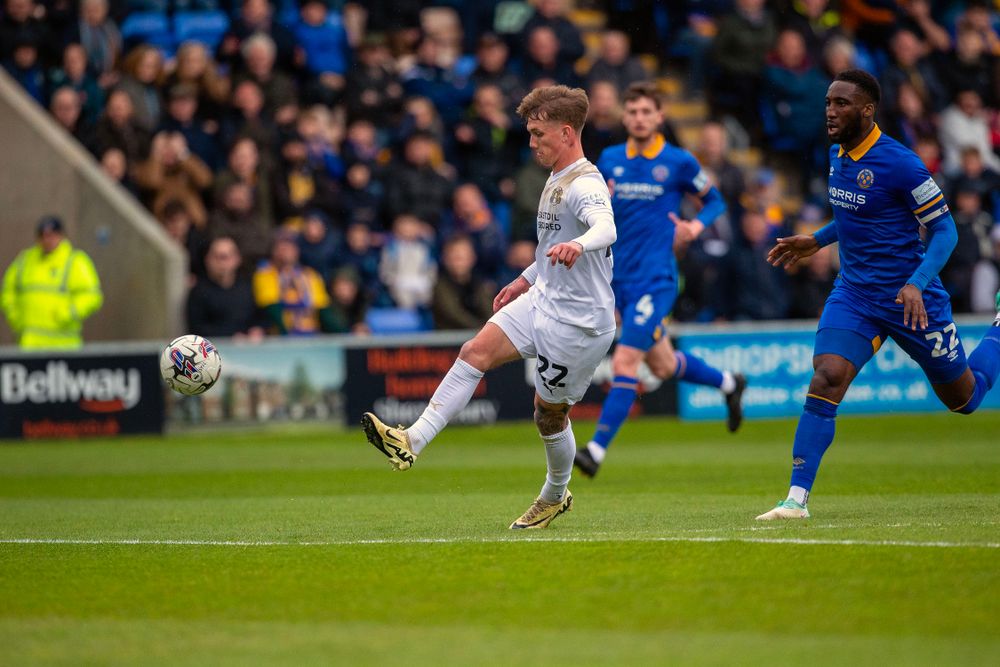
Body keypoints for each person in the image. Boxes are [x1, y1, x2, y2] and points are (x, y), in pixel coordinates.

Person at [361, 85, 618, 530]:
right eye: (530, 134)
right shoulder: (555, 177)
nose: (532, 142)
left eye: (539, 134)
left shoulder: (585, 184)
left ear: (566, 131)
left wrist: (579, 243)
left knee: (548, 413)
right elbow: (550, 249)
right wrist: (525, 278)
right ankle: (411, 441)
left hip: (579, 325)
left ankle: (555, 495)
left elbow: (606, 228)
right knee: (473, 352)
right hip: (543, 299)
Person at [757, 69, 1000, 520]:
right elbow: (857, 218)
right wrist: (817, 239)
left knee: (964, 400)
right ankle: (796, 499)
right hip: (854, 294)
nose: (830, 111)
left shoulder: (902, 163)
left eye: (841, 104)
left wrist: (916, 283)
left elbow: (944, 231)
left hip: (913, 300)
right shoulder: (837, 155)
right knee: (827, 375)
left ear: (867, 110)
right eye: (829, 102)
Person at [573, 82, 746, 478]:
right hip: (617, 280)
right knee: (665, 365)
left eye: (646, 112)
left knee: (626, 359)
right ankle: (728, 383)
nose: (638, 118)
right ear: (624, 116)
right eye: (632, 111)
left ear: (659, 117)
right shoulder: (611, 159)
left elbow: (715, 200)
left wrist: (695, 227)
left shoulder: (679, 161)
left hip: (657, 279)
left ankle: (596, 450)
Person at [1, 216, 103, 349]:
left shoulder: (75, 261)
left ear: (61, 236)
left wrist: (68, 313)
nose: (47, 240)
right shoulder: (25, 260)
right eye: (43, 236)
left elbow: (92, 296)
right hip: (29, 343)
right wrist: (15, 317)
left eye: (51, 235)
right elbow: (8, 290)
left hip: (63, 344)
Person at [186, 236, 263, 339]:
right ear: (207, 260)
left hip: (250, 349)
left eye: (226, 257)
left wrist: (258, 329)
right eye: (217, 257)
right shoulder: (198, 292)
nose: (222, 263)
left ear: (237, 259)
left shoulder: (248, 287)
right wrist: (231, 337)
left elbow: (261, 317)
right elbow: (197, 329)